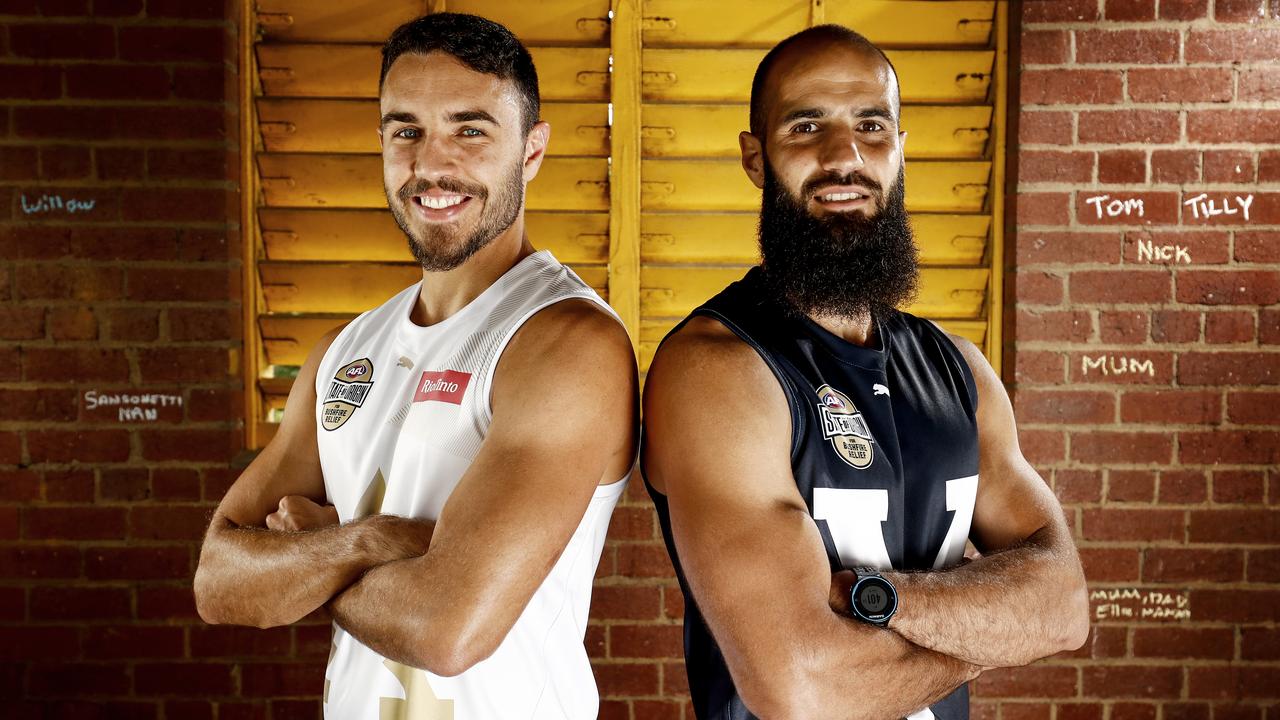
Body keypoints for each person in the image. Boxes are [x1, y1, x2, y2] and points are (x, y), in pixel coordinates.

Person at [194, 13, 638, 719]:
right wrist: (372, 540)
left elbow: (448, 628)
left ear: (531, 150)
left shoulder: (566, 341)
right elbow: (219, 583)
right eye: (407, 131)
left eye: (470, 130)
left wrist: (307, 556)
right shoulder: (346, 351)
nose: (432, 165)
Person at [642, 25, 1090, 720]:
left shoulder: (959, 370)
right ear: (756, 159)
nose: (844, 155)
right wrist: (994, 627)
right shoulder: (717, 370)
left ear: (900, 151)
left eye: (872, 125)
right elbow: (802, 688)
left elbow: (1064, 605)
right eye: (807, 125)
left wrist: (875, 600)